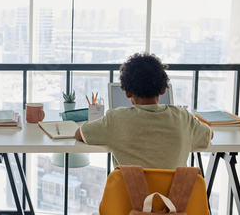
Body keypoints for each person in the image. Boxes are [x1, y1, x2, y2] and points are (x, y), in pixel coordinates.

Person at [75, 52, 212, 169]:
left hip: (129, 199)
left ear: (127, 92)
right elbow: (209, 135)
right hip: (174, 199)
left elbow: (80, 134)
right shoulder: (183, 118)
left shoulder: (115, 119)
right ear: (164, 89)